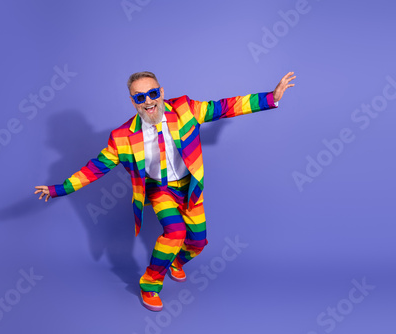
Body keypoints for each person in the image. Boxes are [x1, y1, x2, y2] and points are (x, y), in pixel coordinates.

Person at [34, 71, 296, 311]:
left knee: (198, 243)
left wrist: (270, 98)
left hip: (189, 187)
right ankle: (149, 284)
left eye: (153, 93)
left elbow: (225, 108)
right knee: (175, 232)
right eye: (140, 97)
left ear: (161, 91)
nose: (148, 101)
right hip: (161, 191)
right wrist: (57, 189)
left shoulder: (185, 109)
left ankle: (177, 261)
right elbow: (94, 169)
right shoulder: (122, 137)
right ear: (133, 101)